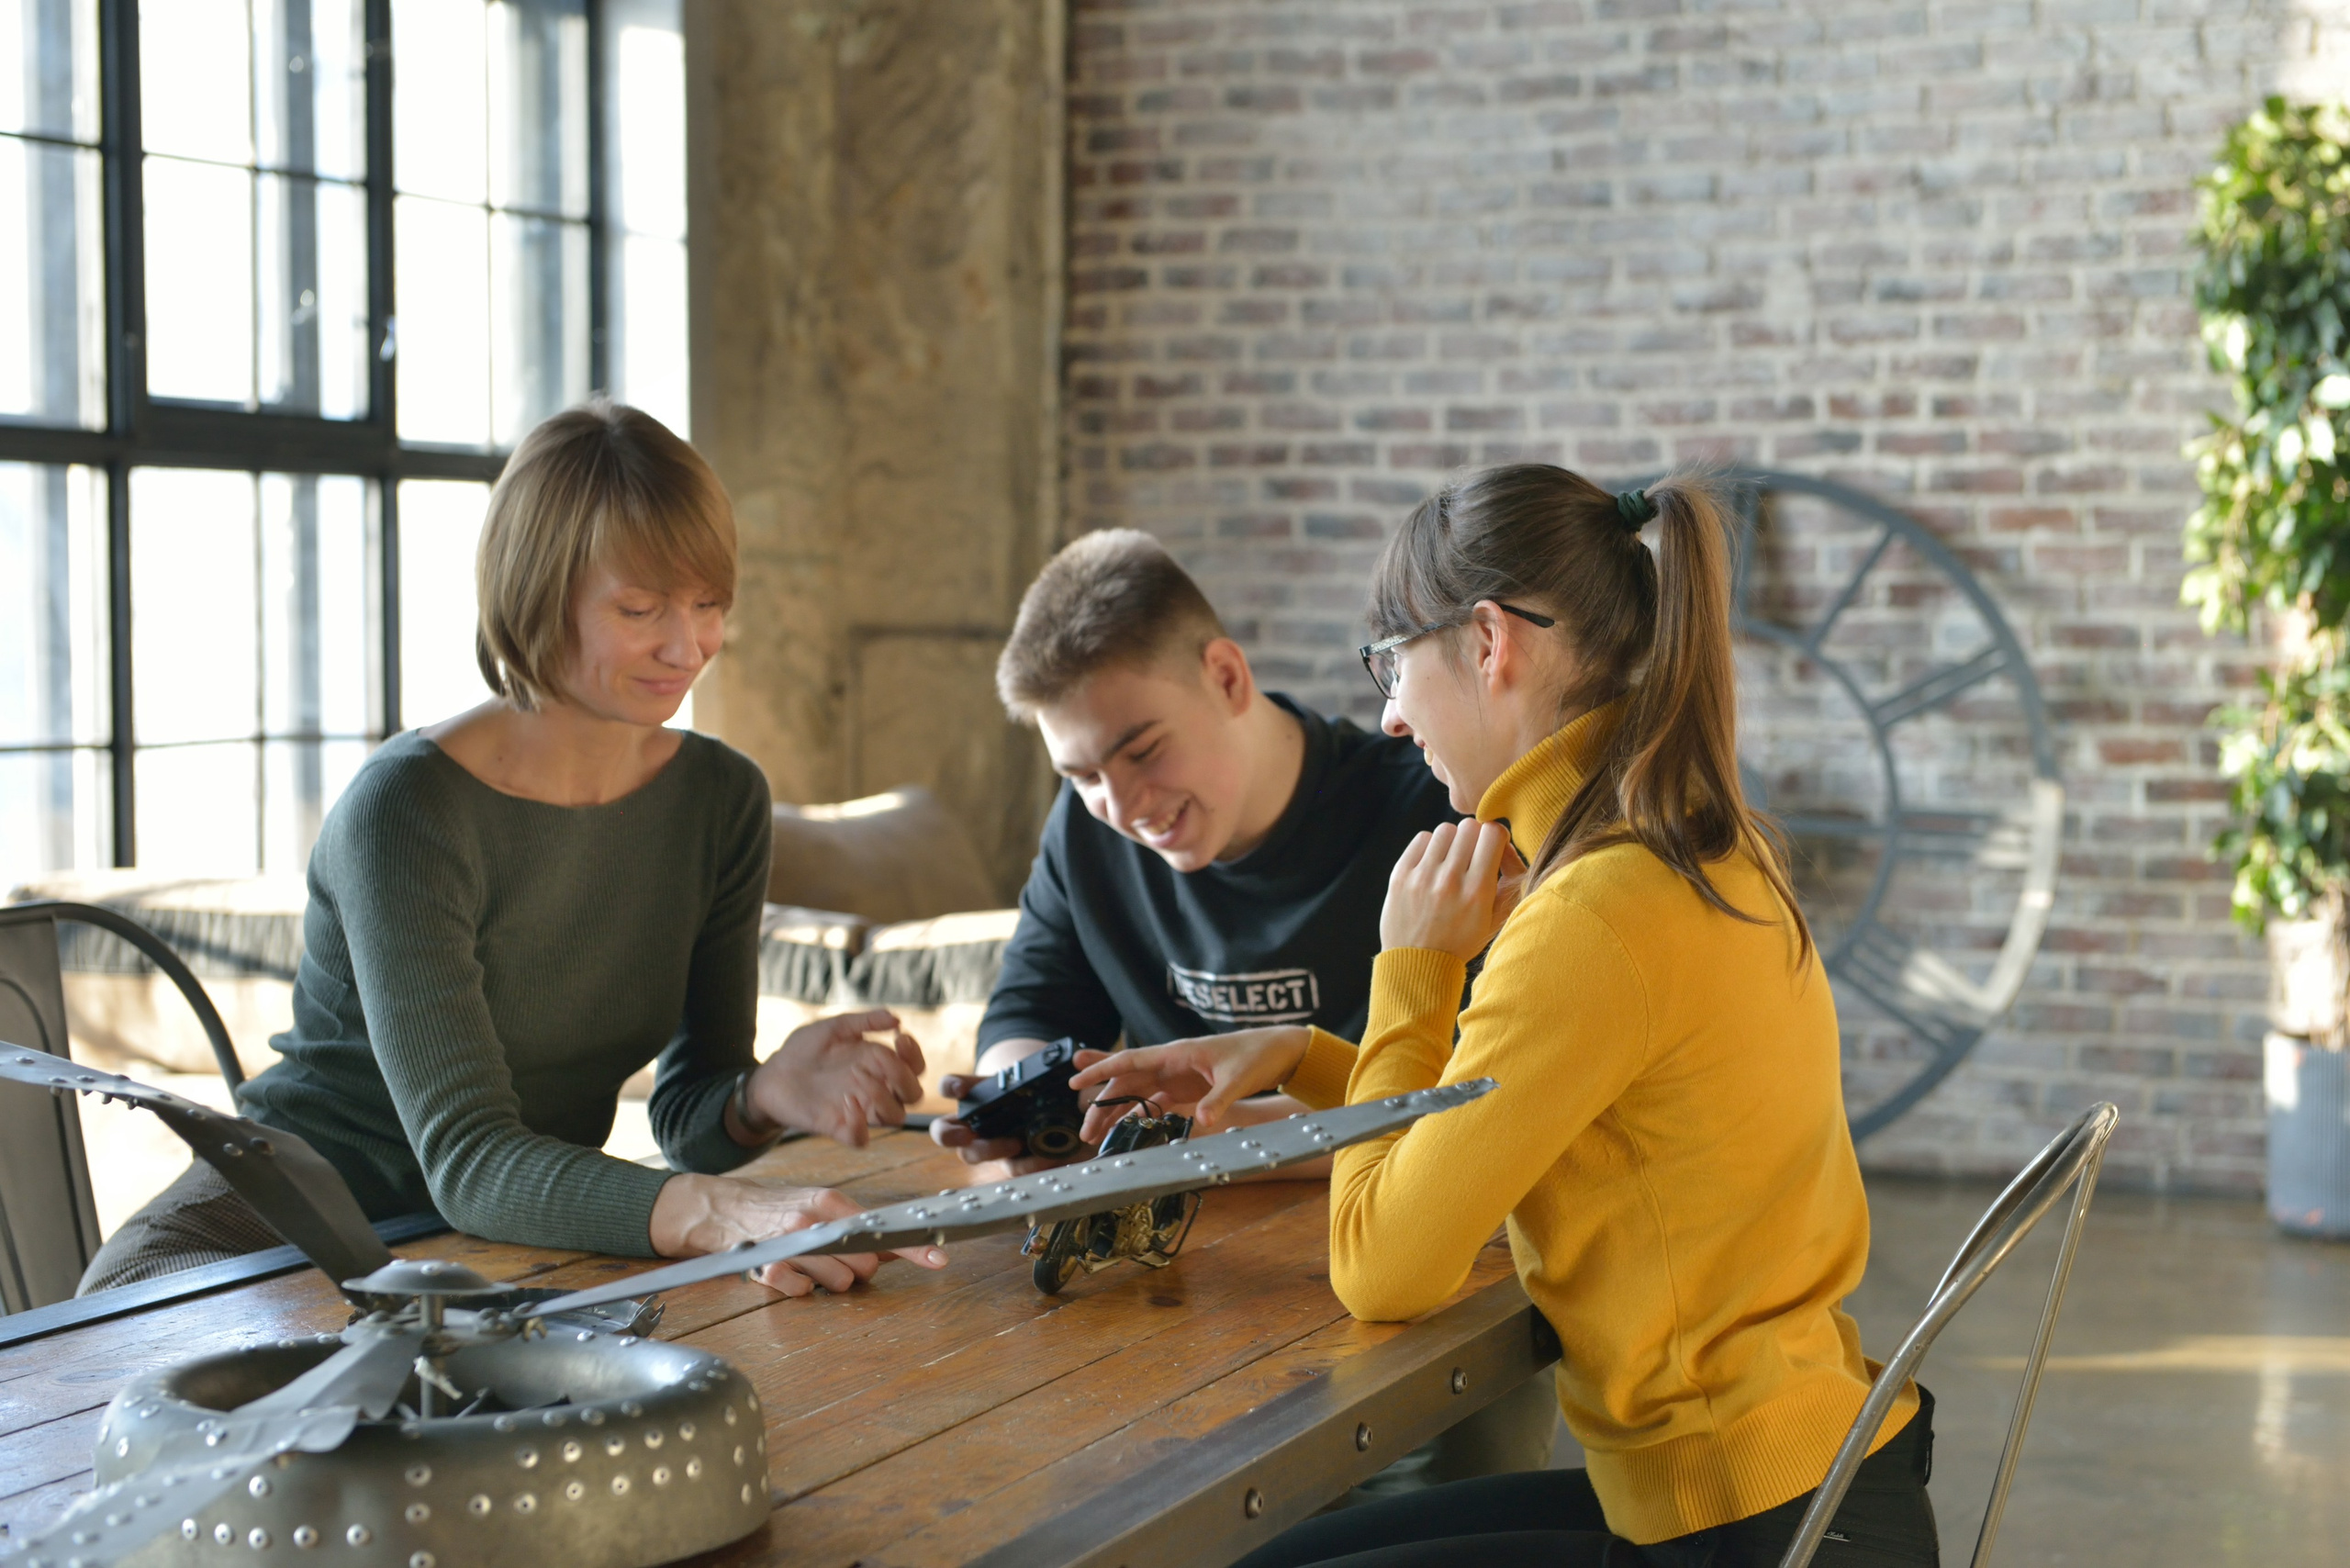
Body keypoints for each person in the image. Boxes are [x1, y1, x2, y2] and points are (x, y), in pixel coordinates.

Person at [1071, 466, 1938, 1568]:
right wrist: (1303, 1053)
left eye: (1393, 662)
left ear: (1488, 643)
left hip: (1762, 1530)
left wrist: (1414, 968)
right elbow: (1520, 1109)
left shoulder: (1593, 913)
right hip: (1809, 1478)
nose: (1389, 714)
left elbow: (1380, 1266)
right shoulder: (1689, 845)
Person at [81, 401, 945, 1300]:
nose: (686, 646)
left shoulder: (721, 800)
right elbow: (468, 1157)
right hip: (255, 1251)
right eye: (640, 607)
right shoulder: (408, 810)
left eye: (708, 604)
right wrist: (718, 1212)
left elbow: (687, 1118)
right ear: (538, 592)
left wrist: (759, 1097)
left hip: (481, 1258)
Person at [930, 528, 1560, 1495]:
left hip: (1425, 1311)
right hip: (1189, 1309)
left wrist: (1188, 1145)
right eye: (1082, 776)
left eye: (1142, 751)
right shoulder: (1088, 836)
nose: (1122, 804)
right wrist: (1030, 1101)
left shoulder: (1434, 805)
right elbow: (1031, 1001)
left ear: (1226, 676)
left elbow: (1476, 1108)